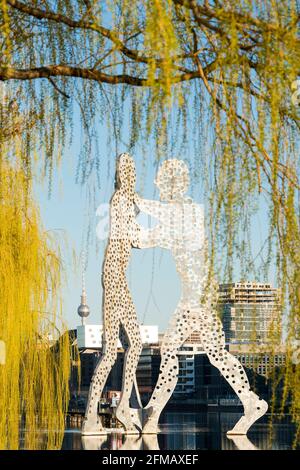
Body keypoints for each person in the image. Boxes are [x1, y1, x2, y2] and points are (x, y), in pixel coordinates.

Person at [135, 159, 268, 435]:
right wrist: (133, 218)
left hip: (196, 300)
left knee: (175, 351)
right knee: (212, 354)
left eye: (163, 183)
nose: (160, 188)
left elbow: (154, 229)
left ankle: (153, 412)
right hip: (197, 298)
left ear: (173, 184)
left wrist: (135, 202)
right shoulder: (178, 218)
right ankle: (249, 401)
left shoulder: (189, 213)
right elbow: (144, 239)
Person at [82, 153, 142, 435]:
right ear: (121, 175)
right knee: (109, 351)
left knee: (137, 342)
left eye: (132, 172)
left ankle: (122, 406)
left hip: (120, 278)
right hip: (114, 277)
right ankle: (91, 416)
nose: (131, 177)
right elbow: (135, 237)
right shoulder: (120, 200)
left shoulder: (125, 201)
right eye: (127, 172)